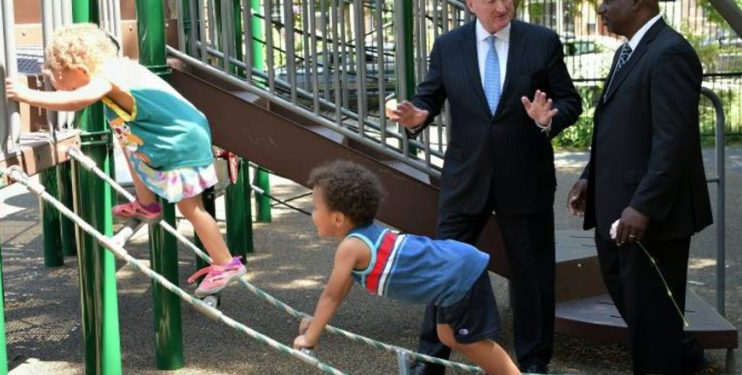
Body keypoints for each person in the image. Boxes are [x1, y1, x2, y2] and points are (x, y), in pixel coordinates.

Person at [386, 0, 582, 372]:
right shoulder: (448, 45)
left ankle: (534, 363)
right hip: (466, 179)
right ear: (471, 3)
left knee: (532, 277)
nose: (502, 5)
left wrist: (549, 118)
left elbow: (571, 101)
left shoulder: (542, 41)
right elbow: (429, 98)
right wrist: (417, 115)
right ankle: (430, 360)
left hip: (526, 178)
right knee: (444, 268)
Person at [6, 24, 245, 297]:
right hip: (177, 135)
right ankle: (146, 205)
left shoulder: (106, 78)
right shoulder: (121, 68)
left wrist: (27, 96)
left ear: (82, 71)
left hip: (181, 143)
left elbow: (76, 101)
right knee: (128, 143)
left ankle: (225, 262)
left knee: (191, 208)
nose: (65, 92)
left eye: (67, 86)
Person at [566, 1, 712, 373]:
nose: (600, 8)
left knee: (653, 325)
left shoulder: (671, 52)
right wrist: (589, 175)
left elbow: (673, 142)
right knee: (645, 318)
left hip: (651, 220)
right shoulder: (628, 51)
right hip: (615, 210)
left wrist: (644, 206)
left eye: (608, 0)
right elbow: (618, 127)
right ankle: (686, 359)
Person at [293, 160, 520, 375]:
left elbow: (331, 296)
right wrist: (316, 323)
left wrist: (310, 338)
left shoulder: (351, 247)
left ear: (338, 218)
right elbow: (338, 293)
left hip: (458, 274)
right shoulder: (360, 239)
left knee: (471, 341)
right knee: (448, 336)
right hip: (451, 274)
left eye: (315, 208)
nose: (313, 214)